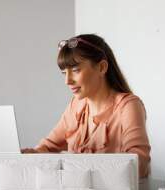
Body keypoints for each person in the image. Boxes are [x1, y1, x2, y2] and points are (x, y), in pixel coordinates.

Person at [22, 34, 151, 178]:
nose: (67, 81)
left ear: (102, 67)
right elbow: (47, 147)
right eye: (64, 73)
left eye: (76, 70)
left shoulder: (128, 106)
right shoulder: (76, 106)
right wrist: (26, 155)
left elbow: (140, 164)